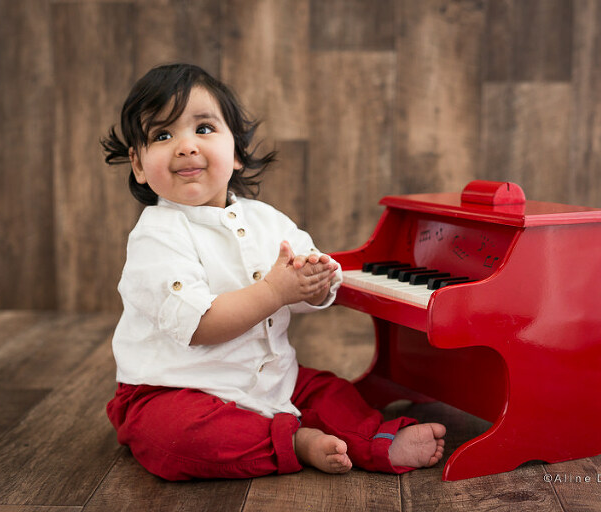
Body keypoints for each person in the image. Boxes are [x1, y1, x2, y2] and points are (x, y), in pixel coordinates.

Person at [101, 63, 446, 480]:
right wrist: (275, 292)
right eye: (162, 135)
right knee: (176, 437)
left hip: (272, 380)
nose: (186, 146)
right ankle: (294, 441)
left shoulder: (267, 220)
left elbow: (308, 276)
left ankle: (375, 439)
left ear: (237, 152)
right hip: (173, 389)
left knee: (331, 390)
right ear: (138, 165)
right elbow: (200, 326)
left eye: (204, 129)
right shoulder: (156, 237)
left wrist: (315, 285)